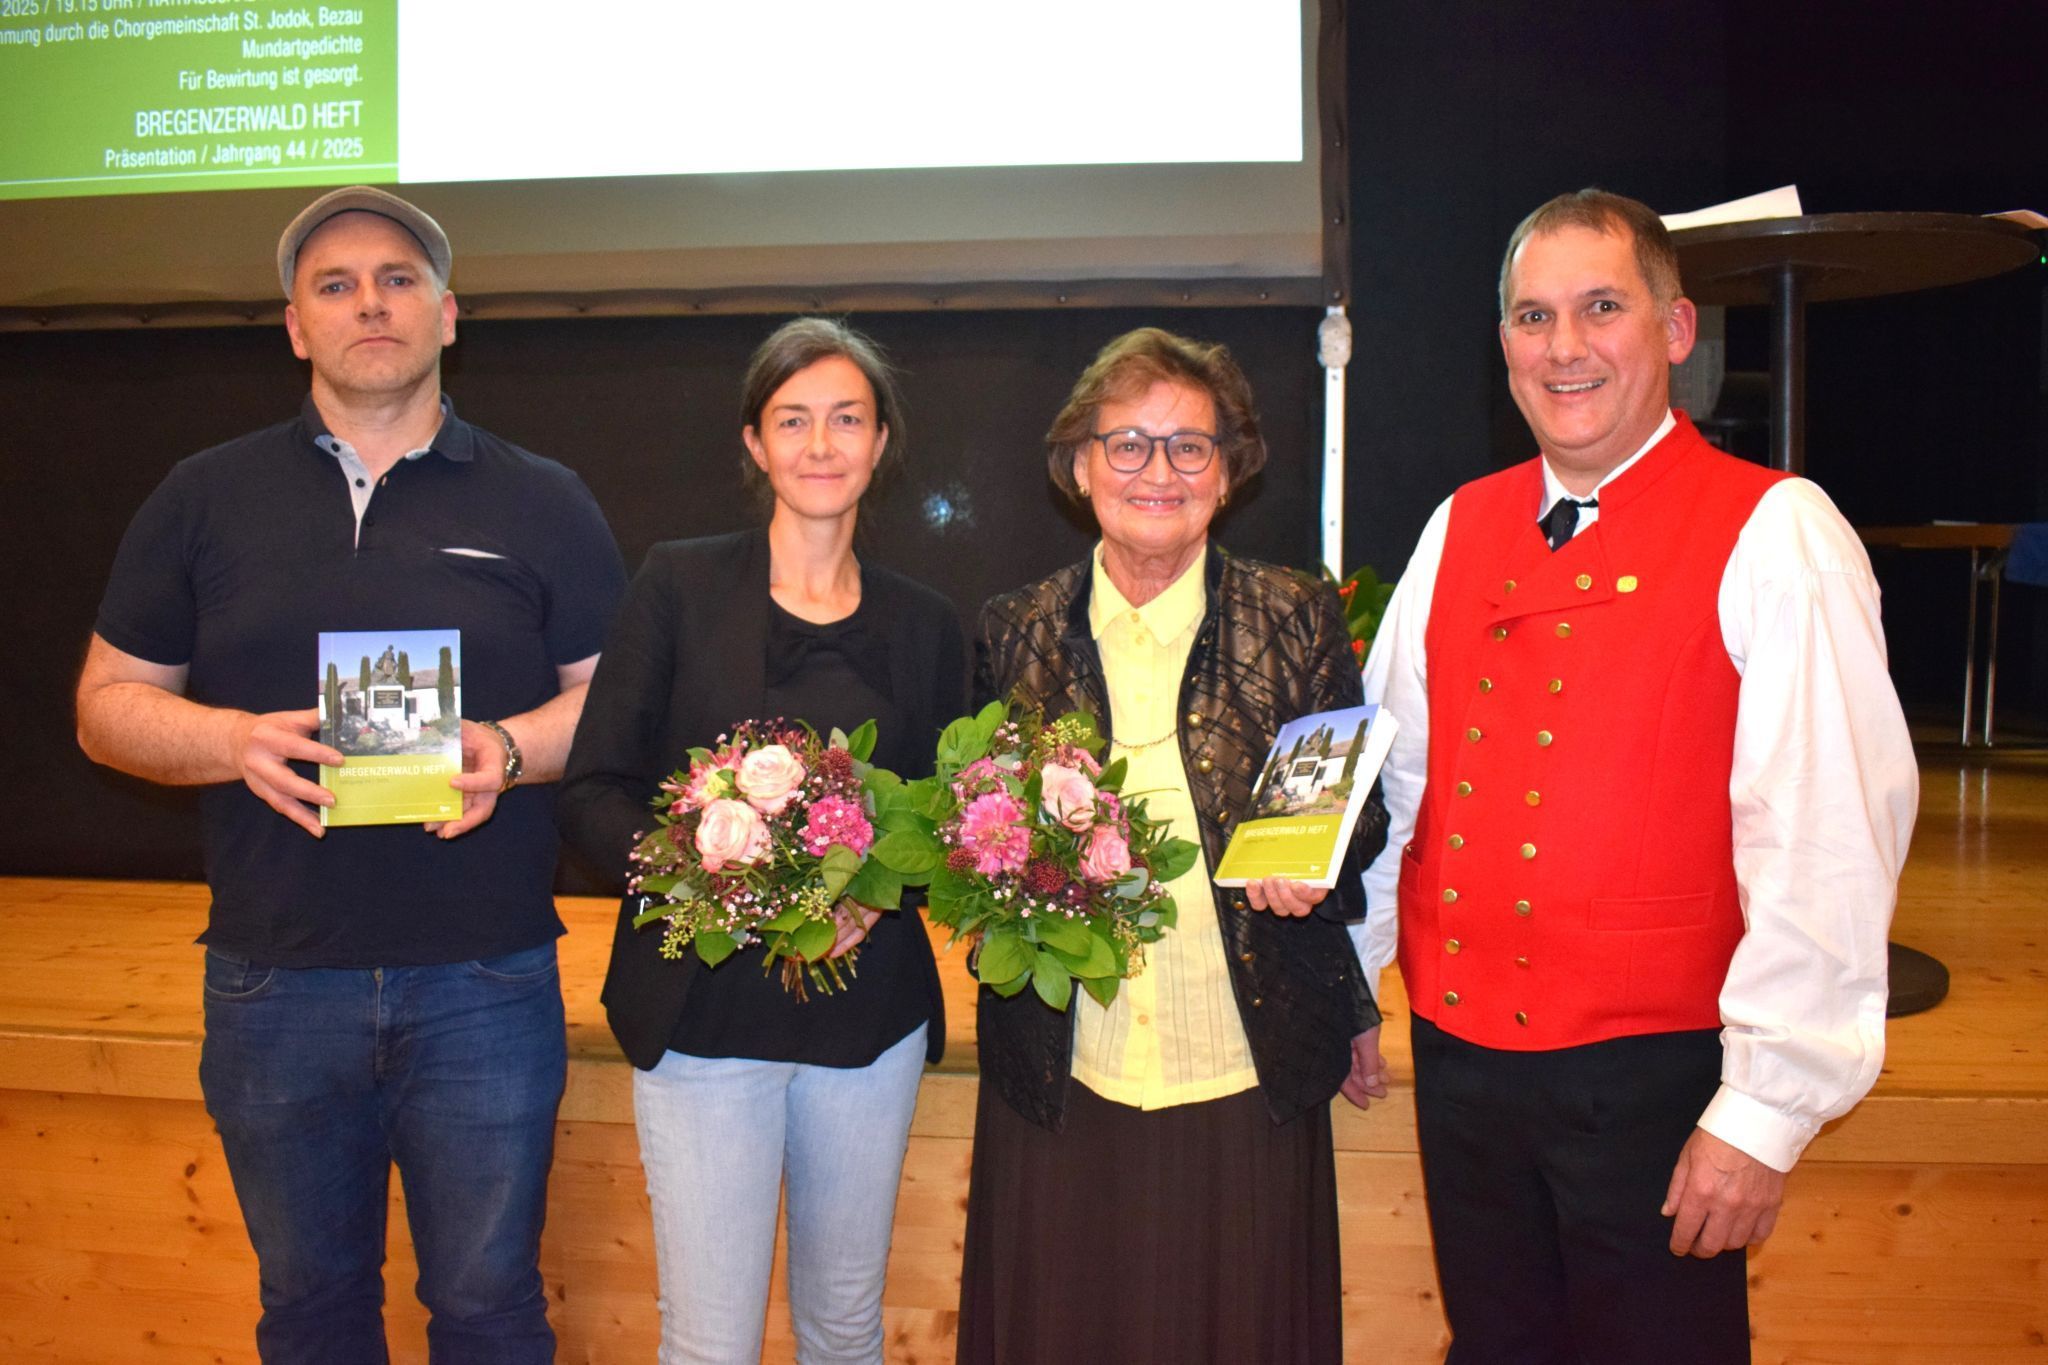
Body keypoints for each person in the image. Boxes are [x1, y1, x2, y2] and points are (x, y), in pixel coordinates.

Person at [1358, 188, 1919, 1362]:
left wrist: (1764, 1111)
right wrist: (1349, 981)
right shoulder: (1455, 526)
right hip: (1462, 1058)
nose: (1562, 347)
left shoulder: (1774, 530)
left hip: (1655, 1076)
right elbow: (1391, 781)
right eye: (1530, 316)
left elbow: (1825, 831)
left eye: (1598, 308)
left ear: (1672, 332)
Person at [74, 185, 627, 1362]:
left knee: (486, 1310)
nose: (368, 302)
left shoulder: (545, 498)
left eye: (396, 279)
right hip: (276, 983)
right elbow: (104, 709)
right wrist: (232, 741)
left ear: (447, 313)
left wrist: (511, 751)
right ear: (293, 325)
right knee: (311, 1313)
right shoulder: (203, 496)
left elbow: (615, 706)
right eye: (334, 284)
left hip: (485, 976)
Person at [956, 327, 1389, 1364]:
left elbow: (1356, 814)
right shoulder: (1011, 630)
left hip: (1242, 1066)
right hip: (1065, 1073)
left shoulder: (1292, 619)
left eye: (1189, 447)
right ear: (1078, 464)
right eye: (1128, 444)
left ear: (1228, 472)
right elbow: (972, 828)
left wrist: (1318, 864)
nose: (1158, 472)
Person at [555, 317, 964, 1364]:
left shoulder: (926, 626)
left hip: (865, 1033)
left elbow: (947, 827)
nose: (819, 445)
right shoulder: (677, 587)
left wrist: (875, 895)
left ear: (880, 443)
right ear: (753, 442)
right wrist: (719, 877)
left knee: (843, 1332)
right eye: (793, 420)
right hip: (700, 1023)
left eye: (845, 420)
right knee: (709, 1344)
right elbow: (596, 791)